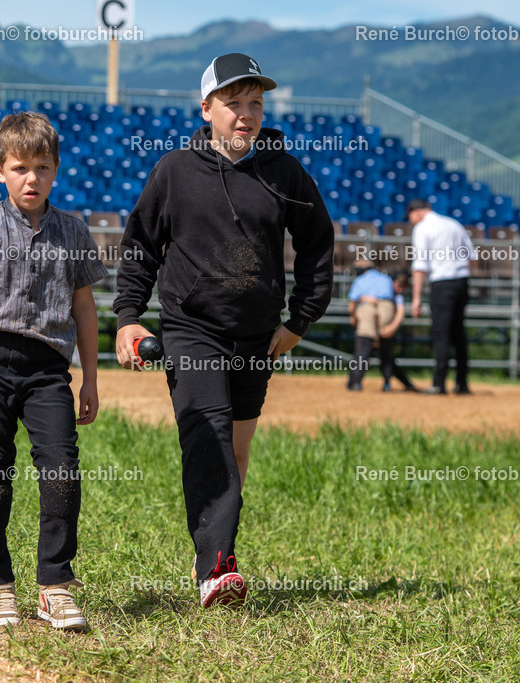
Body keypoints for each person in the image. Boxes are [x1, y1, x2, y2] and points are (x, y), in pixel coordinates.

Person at [113, 53, 334, 607]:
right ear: (206, 108)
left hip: (256, 335)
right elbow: (141, 247)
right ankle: (218, 568)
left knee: (235, 451)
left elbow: (317, 244)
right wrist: (128, 316)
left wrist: (299, 322)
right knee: (207, 437)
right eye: (233, 104)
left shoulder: (284, 172)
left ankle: (210, 550)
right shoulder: (174, 171)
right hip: (192, 329)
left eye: (255, 104)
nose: (246, 115)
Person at [0, 112, 108, 631]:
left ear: (56, 170)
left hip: (49, 369)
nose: (33, 178)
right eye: (21, 168)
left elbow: (85, 308)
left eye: (43, 168)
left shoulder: (73, 231)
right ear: (0, 170)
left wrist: (90, 378)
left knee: (61, 470)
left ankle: (54, 585)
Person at [408, 198, 475, 395]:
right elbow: (472, 256)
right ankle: (462, 383)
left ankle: (439, 383)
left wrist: (416, 298)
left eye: (411, 216)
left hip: (441, 283)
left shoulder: (422, 228)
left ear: (417, 212)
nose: (411, 221)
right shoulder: (453, 224)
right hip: (461, 282)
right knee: (458, 333)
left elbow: (420, 266)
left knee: (441, 333)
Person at [347, 263, 418, 392]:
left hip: (367, 308)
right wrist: (392, 327)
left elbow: (351, 305)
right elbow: (399, 308)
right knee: (385, 350)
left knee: (363, 349)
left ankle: (356, 383)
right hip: (386, 309)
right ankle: (387, 384)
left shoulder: (359, 280)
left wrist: (353, 318)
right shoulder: (388, 280)